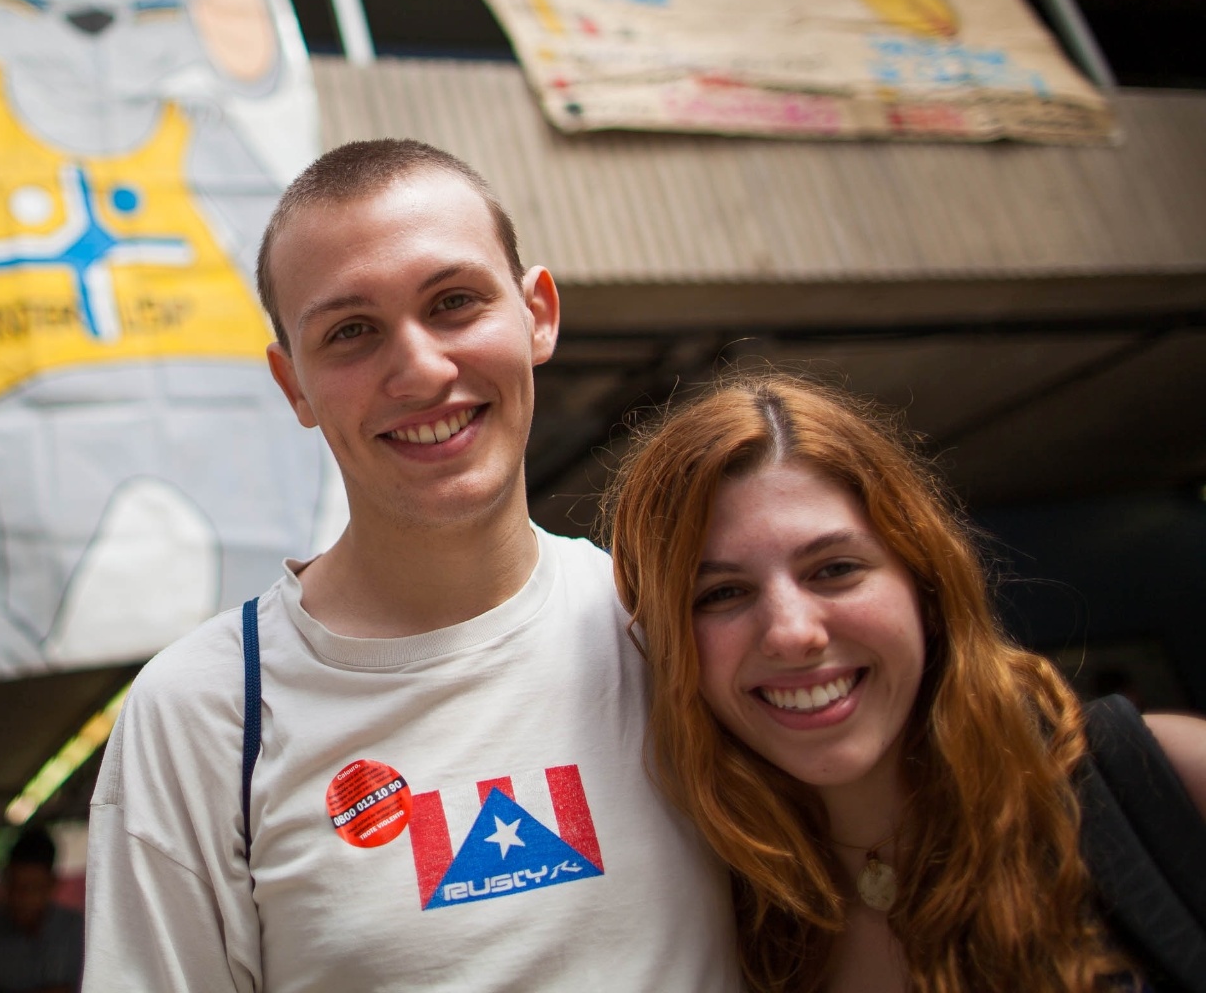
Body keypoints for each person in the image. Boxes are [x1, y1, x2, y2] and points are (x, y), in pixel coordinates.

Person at [83, 140, 737, 990]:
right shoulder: (205, 714)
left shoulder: (672, 627)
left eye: (455, 302)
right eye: (352, 332)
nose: (422, 369)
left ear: (537, 313)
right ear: (295, 387)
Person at [602, 371, 1206, 993]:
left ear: (924, 579)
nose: (791, 632)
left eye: (834, 569)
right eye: (722, 593)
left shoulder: (1165, 783)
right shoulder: (719, 924)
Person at [0, 827, 83, 993]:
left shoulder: (79, 932)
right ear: (5, 881)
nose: (23, 897)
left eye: (33, 887)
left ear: (52, 884)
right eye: (16, 886)